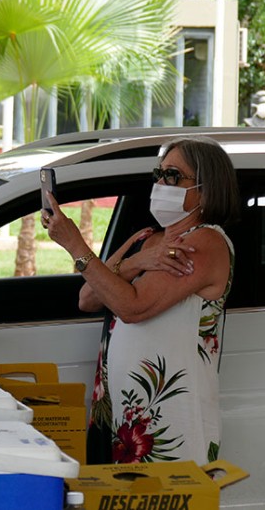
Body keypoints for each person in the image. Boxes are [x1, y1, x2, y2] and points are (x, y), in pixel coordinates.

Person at [42, 137, 239, 465]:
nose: (161, 183)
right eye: (158, 174)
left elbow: (132, 307)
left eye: (173, 176)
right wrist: (136, 262)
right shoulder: (145, 238)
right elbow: (89, 297)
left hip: (167, 422)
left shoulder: (206, 241)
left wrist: (76, 245)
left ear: (206, 190)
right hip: (121, 411)